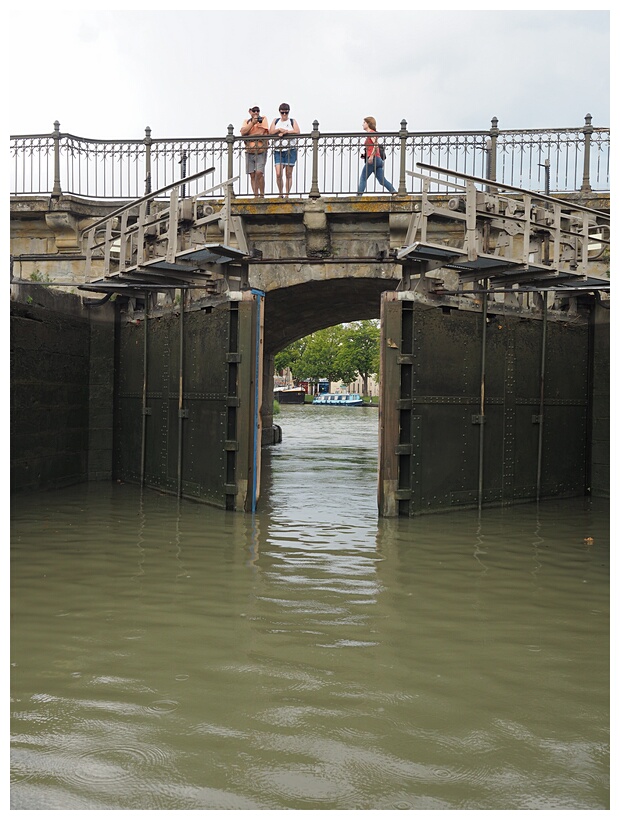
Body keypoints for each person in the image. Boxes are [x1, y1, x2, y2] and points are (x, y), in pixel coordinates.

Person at [357, 116, 396, 195]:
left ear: (368, 123)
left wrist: (371, 157)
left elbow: (376, 145)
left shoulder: (371, 133)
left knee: (363, 178)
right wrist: (365, 155)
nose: (362, 124)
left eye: (364, 122)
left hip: (374, 159)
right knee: (382, 180)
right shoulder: (371, 133)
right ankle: (394, 192)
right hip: (378, 160)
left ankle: (358, 196)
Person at [269, 103, 301, 197]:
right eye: (282, 113)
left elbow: (297, 131)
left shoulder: (292, 121)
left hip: (290, 149)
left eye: (286, 113)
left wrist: (286, 132)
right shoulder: (276, 121)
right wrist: (279, 130)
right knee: (278, 173)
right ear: (279, 112)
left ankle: (287, 194)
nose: (284, 115)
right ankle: (280, 193)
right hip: (278, 150)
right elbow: (271, 132)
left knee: (288, 173)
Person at [240, 106, 270, 197]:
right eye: (254, 110)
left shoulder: (263, 119)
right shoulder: (247, 121)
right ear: (250, 111)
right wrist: (252, 123)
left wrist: (249, 135)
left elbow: (262, 132)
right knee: (252, 174)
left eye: (258, 110)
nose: (256, 112)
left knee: (259, 173)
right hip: (249, 152)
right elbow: (243, 132)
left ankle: (262, 194)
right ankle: (255, 195)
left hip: (261, 151)